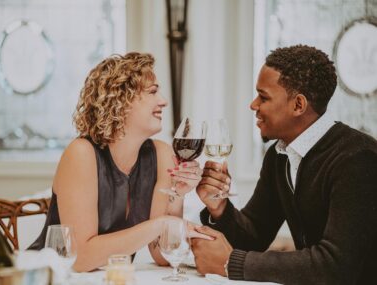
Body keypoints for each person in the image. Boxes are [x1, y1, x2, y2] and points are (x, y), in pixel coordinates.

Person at [191, 45, 377, 284]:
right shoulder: (279, 155)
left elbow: (336, 265)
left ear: (298, 105)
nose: (253, 105)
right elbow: (254, 235)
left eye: (264, 97)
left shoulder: (358, 159)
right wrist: (219, 207)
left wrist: (232, 263)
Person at [29, 52, 206, 272]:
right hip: (47, 277)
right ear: (121, 101)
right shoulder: (81, 154)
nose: (163, 101)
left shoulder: (161, 155)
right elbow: (80, 258)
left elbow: (163, 255)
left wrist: (178, 196)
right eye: (152, 92)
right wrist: (160, 224)